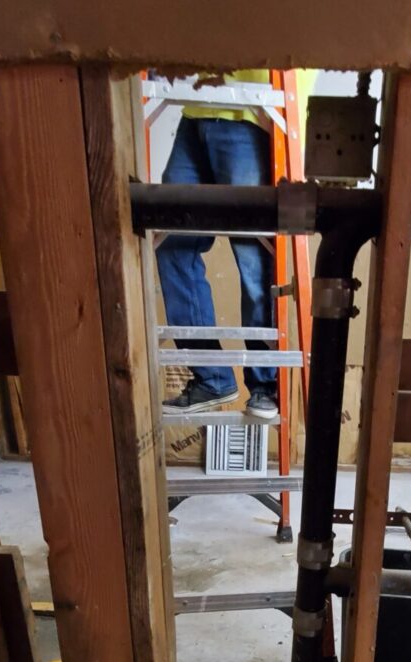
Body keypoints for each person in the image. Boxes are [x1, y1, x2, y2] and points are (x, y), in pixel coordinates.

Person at [157, 70, 280, 420]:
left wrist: (283, 111)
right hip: (196, 108)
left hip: (250, 110)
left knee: (255, 256)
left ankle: (264, 387)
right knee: (173, 242)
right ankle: (212, 377)